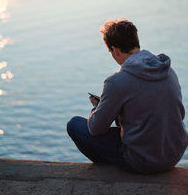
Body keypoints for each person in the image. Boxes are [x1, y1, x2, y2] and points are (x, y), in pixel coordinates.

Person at [67, 19, 188, 174]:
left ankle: (115, 172)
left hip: (144, 161)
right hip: (174, 154)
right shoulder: (167, 70)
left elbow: (96, 128)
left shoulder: (116, 82)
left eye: (110, 52)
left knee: (74, 125)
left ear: (114, 50)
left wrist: (97, 106)